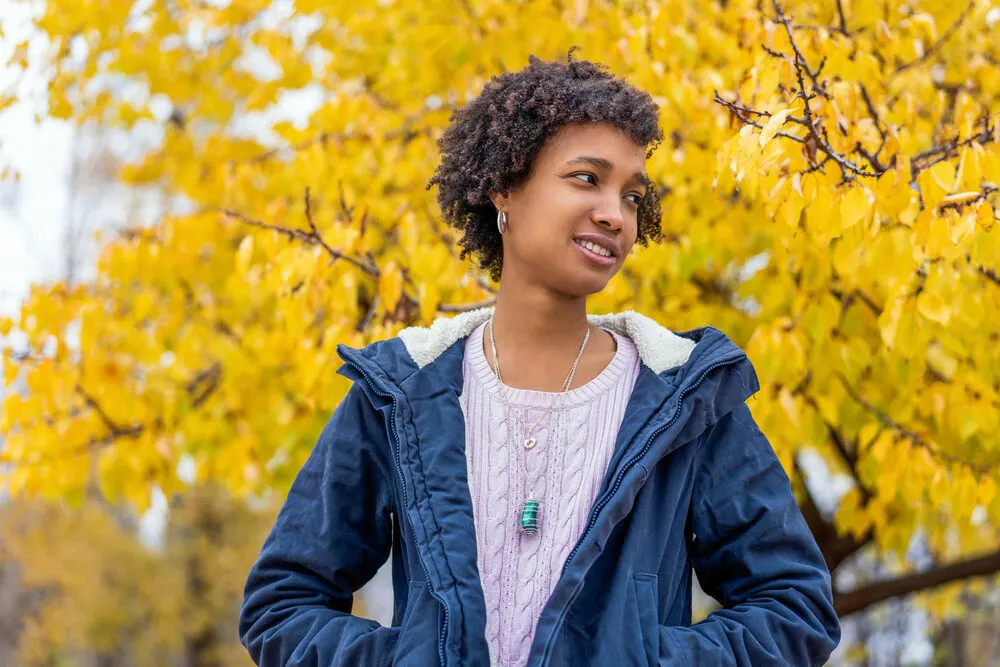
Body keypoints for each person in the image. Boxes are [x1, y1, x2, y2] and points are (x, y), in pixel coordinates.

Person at [239, 49, 841, 667]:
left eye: (633, 195)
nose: (615, 213)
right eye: (586, 178)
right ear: (504, 185)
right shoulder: (398, 393)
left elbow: (792, 606)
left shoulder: (683, 400)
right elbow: (283, 605)